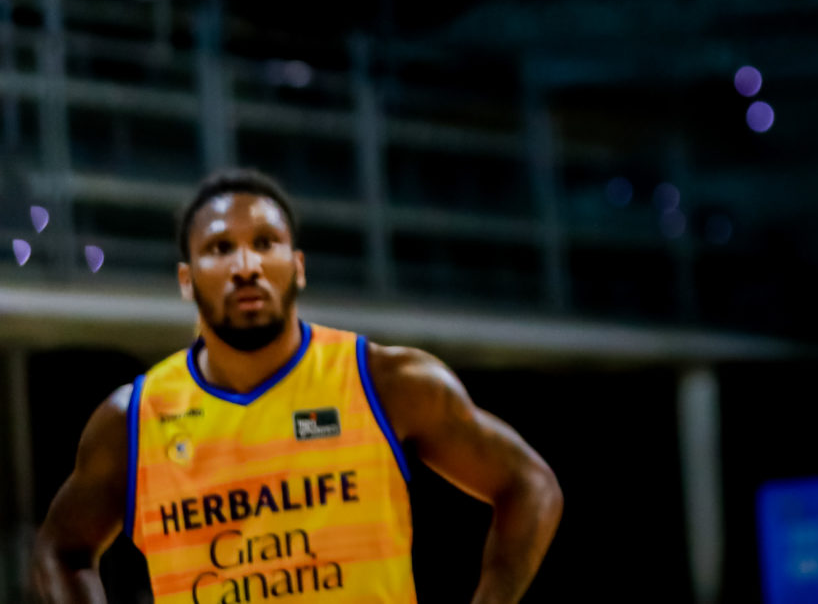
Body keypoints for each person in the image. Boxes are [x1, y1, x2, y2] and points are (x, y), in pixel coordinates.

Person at [34, 168, 564, 604]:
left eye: (265, 243)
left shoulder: (385, 381)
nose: (246, 266)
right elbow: (61, 550)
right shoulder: (133, 418)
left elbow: (530, 486)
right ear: (186, 281)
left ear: (298, 266)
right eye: (220, 248)